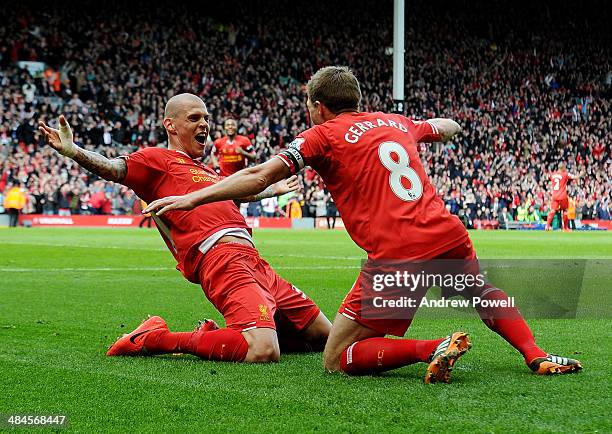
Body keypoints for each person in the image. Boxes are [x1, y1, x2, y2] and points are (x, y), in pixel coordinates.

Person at [144, 67, 582, 381]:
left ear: (318, 107)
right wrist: (439, 129)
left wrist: (190, 196)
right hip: (447, 232)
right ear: (354, 99)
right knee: (482, 292)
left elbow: (258, 175)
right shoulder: (396, 122)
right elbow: (444, 125)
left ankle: (433, 347)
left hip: (399, 251)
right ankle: (537, 354)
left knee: (337, 357)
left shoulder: (321, 135)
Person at [38, 93, 331, 364]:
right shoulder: (156, 160)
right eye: (193, 118)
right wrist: (75, 151)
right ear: (171, 125)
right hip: (220, 258)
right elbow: (114, 168)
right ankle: (154, 338)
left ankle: (223, 336)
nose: (204, 124)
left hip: (255, 261)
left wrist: (272, 190)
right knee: (262, 350)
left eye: (205, 118)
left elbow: (237, 192)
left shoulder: (206, 170)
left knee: (325, 337)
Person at [545, 162, 579, 231]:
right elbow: (575, 177)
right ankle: (565, 228)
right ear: (563, 168)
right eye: (565, 167)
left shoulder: (553, 174)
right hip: (563, 195)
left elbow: (546, 177)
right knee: (565, 210)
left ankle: (547, 226)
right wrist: (581, 175)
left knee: (552, 210)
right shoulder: (565, 174)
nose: (565, 168)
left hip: (554, 196)